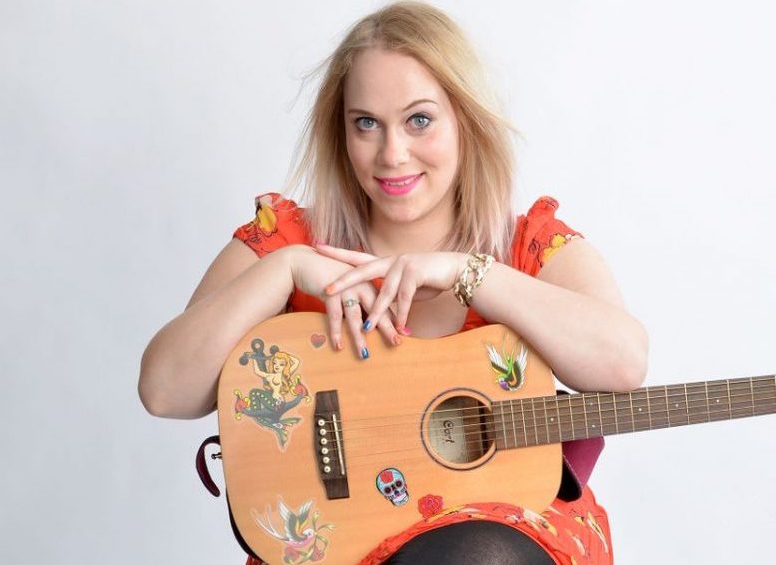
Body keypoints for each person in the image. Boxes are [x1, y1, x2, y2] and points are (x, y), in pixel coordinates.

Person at [138, 2, 648, 564]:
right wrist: (286, 269)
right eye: (366, 124)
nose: (392, 154)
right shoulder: (285, 240)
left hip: (507, 542)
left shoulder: (531, 245)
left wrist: (469, 274)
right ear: (341, 132)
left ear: (465, 119)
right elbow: (164, 391)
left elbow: (623, 366)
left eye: (419, 120)